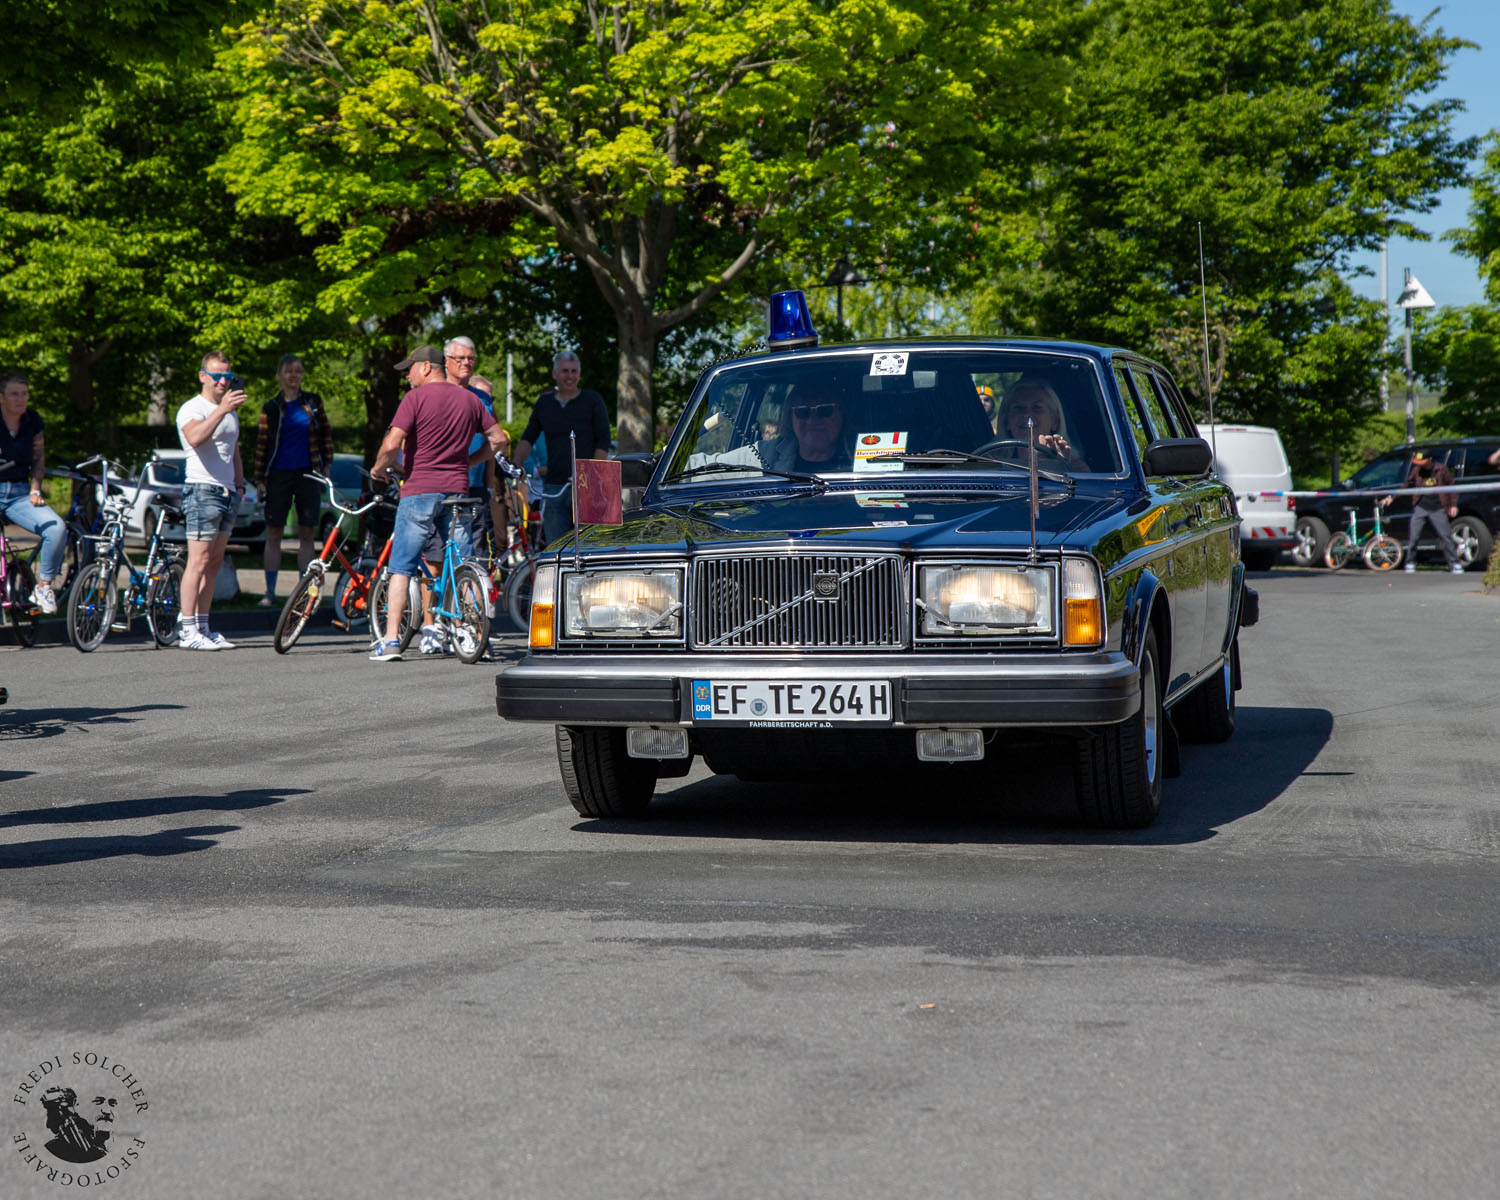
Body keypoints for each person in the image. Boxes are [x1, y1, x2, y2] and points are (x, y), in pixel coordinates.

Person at [368, 345, 509, 662]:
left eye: (410, 370)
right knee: (465, 564)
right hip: (459, 490)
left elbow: (392, 443)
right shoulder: (471, 399)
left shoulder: (415, 399)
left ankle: (391, 641)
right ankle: (475, 637)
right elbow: (500, 440)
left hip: (420, 491)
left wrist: (379, 469)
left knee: (402, 566)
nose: (407, 377)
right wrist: (471, 460)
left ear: (427, 368)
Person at [175, 351, 247, 650]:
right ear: (203, 376)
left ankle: (204, 626)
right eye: (217, 375)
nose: (223, 381)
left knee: (214, 563)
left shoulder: (229, 410)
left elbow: (233, 449)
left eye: (227, 376)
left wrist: (240, 484)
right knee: (198, 561)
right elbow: (195, 438)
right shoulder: (193, 408)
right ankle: (187, 630)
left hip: (227, 491)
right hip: (202, 490)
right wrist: (220, 410)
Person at [253, 354, 334, 606]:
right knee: (274, 532)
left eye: (298, 371)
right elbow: (262, 444)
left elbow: (326, 435)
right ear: (281, 375)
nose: (294, 376)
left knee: (308, 532)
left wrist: (327, 465)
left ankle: (305, 591)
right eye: (289, 371)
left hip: (308, 472)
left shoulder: (313, 402)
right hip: (278, 474)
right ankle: (269, 592)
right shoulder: (271, 407)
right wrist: (259, 479)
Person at [513, 351, 610, 545]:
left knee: (592, 547)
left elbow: (603, 442)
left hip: (587, 486)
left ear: (580, 375)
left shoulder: (593, 401)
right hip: (554, 486)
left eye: (574, 371)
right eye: (565, 371)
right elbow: (528, 437)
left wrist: (590, 477)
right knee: (556, 549)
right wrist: (516, 465)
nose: (570, 376)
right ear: (555, 374)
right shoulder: (544, 403)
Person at [0, 372, 64, 613]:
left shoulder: (33, 421)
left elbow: (39, 460)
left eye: (24, 394)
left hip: (19, 493)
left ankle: (43, 586)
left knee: (56, 527)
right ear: (1, 398)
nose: (21, 399)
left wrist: (35, 489)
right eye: (14, 394)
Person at [1384, 448, 1464, 573]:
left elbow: (1451, 486)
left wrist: (1453, 505)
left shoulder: (1441, 469)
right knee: (1414, 536)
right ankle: (1410, 562)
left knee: (1446, 536)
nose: (1419, 465)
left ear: (1430, 459)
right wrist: (1392, 498)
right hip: (1420, 506)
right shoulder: (1417, 470)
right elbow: (1406, 484)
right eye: (1417, 462)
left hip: (1438, 507)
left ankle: (1454, 563)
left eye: (1422, 462)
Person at [996, 377, 1088, 470]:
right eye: (1018, 408)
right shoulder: (990, 465)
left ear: (1055, 420)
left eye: (1036, 407)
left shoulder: (1075, 469)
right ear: (1007, 421)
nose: (1027, 414)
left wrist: (1061, 468)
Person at [40, 1086, 113, 1164]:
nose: (107, 1111)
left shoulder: (108, 1144)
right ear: (76, 1105)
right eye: (98, 1102)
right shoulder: (55, 1150)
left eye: (112, 1104)